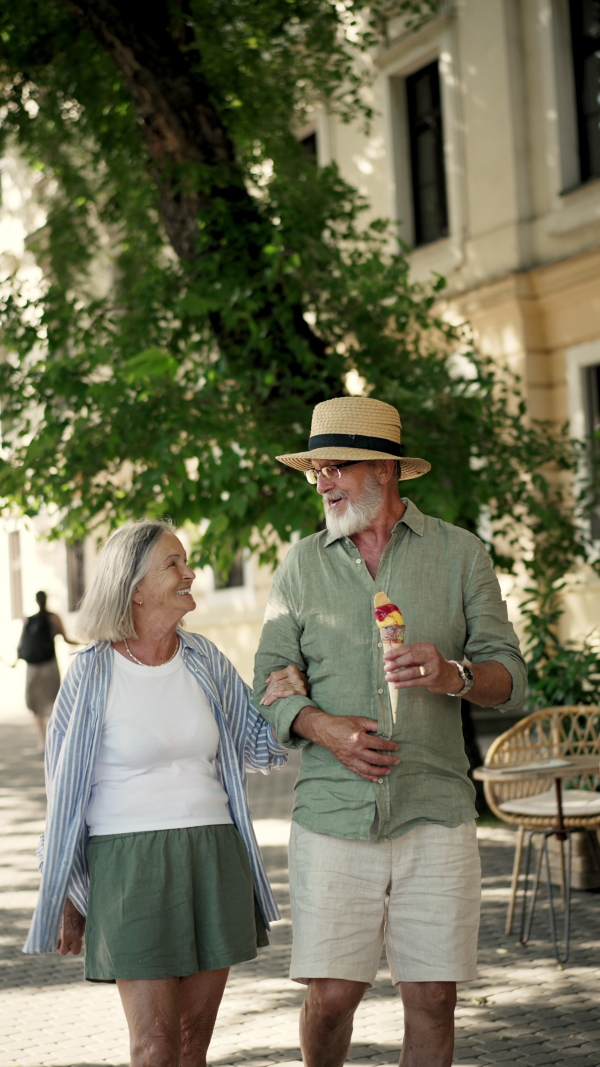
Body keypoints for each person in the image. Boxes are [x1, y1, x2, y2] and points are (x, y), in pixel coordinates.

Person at [254, 396, 527, 1067]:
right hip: (332, 813)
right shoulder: (300, 565)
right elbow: (270, 684)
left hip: (434, 805)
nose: (321, 480)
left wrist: (452, 671)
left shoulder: (461, 555)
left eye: (335, 466)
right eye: (315, 468)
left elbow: (510, 675)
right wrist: (322, 725)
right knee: (333, 994)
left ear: (384, 468)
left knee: (433, 996)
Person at [24, 519, 307, 1067]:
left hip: (213, 852)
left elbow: (256, 746)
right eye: (173, 563)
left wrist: (281, 700)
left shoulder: (203, 657)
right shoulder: (90, 672)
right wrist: (59, 883)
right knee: (153, 1046)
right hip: (128, 864)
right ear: (133, 586)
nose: (190, 572)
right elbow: (61, 787)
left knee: (191, 1042)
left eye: (186, 561)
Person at [18, 591, 78, 750]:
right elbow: (66, 639)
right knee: (53, 702)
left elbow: (22, 645)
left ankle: (42, 742)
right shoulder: (53, 618)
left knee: (35, 704)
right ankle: (55, 740)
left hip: (32, 668)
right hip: (49, 666)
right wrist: (83, 643)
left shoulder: (29, 620)